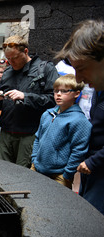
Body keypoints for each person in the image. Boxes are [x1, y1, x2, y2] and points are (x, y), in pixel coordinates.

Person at [56, 19, 104, 214]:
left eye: (82, 68)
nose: (78, 79)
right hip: (93, 175)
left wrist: (94, 161)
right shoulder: (99, 90)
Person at [0, 35, 59, 168]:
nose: (11, 62)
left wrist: (26, 97)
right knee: (2, 173)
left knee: (22, 176)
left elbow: (54, 100)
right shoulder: (7, 72)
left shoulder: (45, 69)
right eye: (8, 59)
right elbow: (3, 104)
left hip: (29, 134)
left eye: (15, 58)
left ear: (26, 51)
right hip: (6, 133)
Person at [31, 74, 91, 189]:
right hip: (37, 168)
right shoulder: (47, 114)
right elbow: (38, 138)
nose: (58, 94)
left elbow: (78, 151)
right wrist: (34, 160)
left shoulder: (79, 120)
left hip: (59, 175)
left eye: (64, 91)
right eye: (56, 91)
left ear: (77, 93)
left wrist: (67, 174)